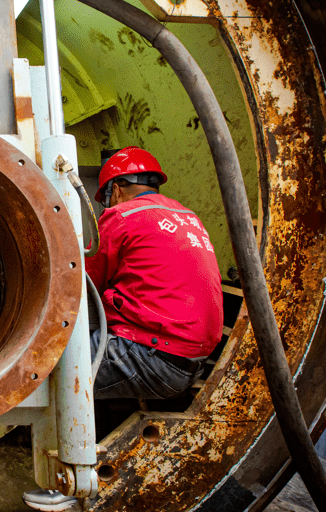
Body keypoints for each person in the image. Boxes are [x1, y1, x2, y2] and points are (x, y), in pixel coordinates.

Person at [85, 146, 224, 400]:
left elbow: (83, 281)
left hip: (153, 358)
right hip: (194, 361)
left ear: (115, 190)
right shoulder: (188, 216)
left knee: (51, 366)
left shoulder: (122, 214)